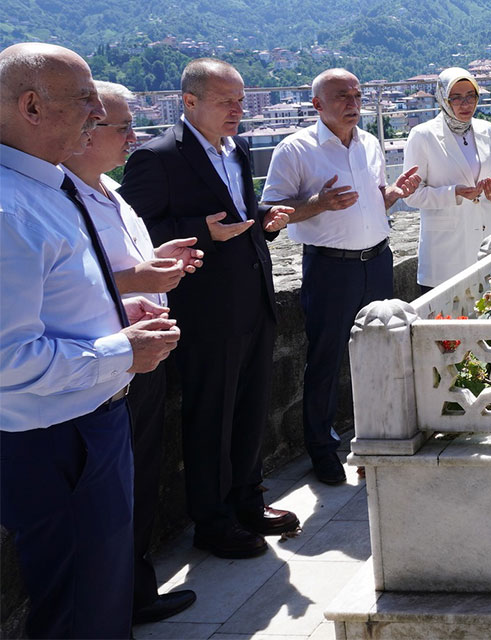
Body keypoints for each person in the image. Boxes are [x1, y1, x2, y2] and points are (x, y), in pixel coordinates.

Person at [0, 42, 180, 638]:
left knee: (100, 597)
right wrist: (122, 350)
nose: (95, 116)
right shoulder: (10, 211)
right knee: (80, 608)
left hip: (87, 424)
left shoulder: (42, 188)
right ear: (30, 106)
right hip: (58, 441)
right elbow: (6, 359)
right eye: (83, 101)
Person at [119, 58, 299, 560]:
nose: (238, 110)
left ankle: (247, 500)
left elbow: (237, 212)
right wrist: (202, 229)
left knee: (248, 411)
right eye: (227, 101)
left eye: (241, 99)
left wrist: (264, 218)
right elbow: (136, 237)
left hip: (252, 300)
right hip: (204, 311)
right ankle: (213, 522)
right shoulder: (157, 158)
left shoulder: (238, 148)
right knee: (209, 418)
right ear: (190, 102)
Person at [62, 80, 201, 624]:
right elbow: (70, 283)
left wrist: (156, 261)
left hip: (139, 352)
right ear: (86, 131)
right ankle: (122, 600)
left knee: (138, 479)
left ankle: (135, 589)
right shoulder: (63, 196)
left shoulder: (107, 189)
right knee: (115, 492)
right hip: (110, 359)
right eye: (122, 126)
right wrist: (138, 279)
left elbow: (119, 264)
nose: (133, 137)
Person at [262, 68, 421, 484]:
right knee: (326, 361)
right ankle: (323, 450)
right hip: (331, 267)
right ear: (317, 105)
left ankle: (384, 438)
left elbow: (373, 203)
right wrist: (319, 203)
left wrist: (393, 195)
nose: (353, 102)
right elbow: (272, 216)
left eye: (357, 94)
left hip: (378, 260)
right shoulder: (295, 150)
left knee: (383, 352)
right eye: (342, 96)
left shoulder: (369, 142)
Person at [403, 67, 491, 287]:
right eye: (456, 98)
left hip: (488, 239)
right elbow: (411, 196)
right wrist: (453, 194)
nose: (465, 104)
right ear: (442, 99)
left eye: (471, 96)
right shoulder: (423, 135)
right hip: (445, 251)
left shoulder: (489, 130)